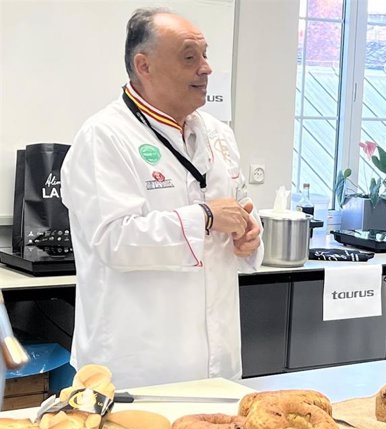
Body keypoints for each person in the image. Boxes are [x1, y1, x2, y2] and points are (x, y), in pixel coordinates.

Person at [61, 8, 263, 389]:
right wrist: (203, 218)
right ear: (144, 65)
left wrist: (249, 234)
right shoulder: (104, 137)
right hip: (136, 369)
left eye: (205, 55)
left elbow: (237, 208)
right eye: (190, 57)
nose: (206, 68)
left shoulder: (218, 135)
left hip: (218, 363)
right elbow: (113, 240)